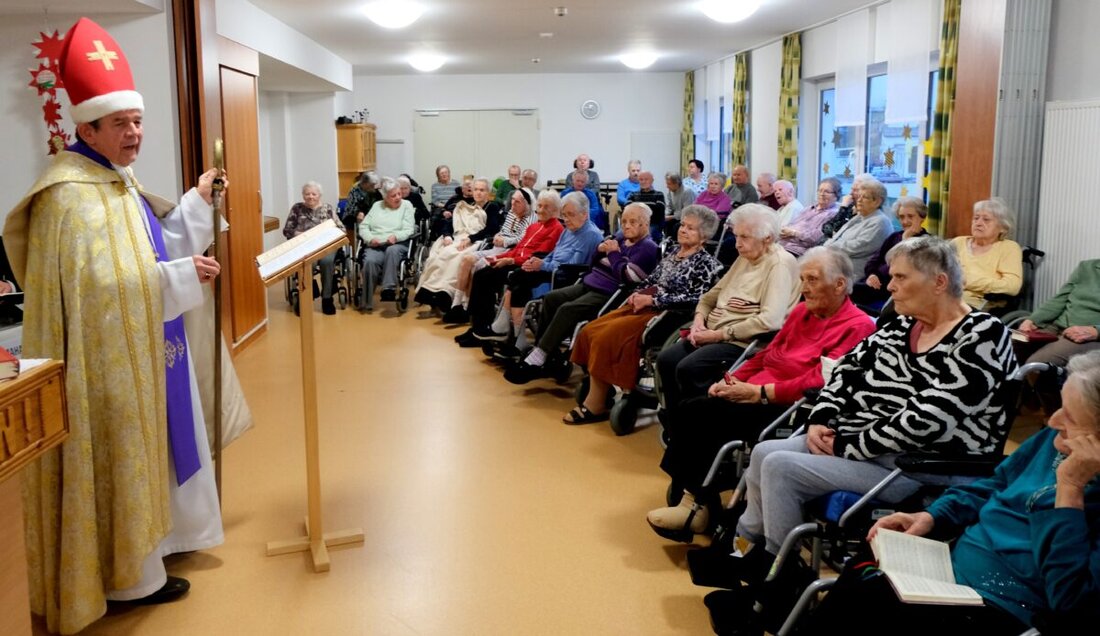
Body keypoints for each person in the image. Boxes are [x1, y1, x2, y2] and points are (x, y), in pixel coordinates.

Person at [2, 17, 232, 632]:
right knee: (123, 457)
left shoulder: (116, 181)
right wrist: (181, 277)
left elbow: (149, 248)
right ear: (87, 129)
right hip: (103, 363)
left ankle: (157, 550)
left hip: (152, 343)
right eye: (120, 124)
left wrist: (197, 205)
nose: (134, 134)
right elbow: (102, 291)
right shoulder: (68, 197)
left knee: (161, 445)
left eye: (137, 122)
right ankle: (129, 577)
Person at [721, 237, 1017, 608]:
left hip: (919, 462)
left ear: (939, 282)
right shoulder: (899, 327)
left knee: (781, 466)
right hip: (862, 444)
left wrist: (848, 444)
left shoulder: (982, 335)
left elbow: (932, 416)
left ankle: (781, 584)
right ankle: (749, 552)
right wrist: (823, 418)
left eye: (900, 277)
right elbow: (844, 372)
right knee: (765, 451)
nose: (889, 285)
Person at [795, 349, 1100, 636]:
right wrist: (932, 516)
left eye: (1071, 417)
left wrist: (1069, 492)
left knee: (872, 606)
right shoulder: (1052, 440)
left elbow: (1070, 602)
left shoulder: (1080, 483)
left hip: (1003, 607)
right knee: (864, 574)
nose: (1052, 421)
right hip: (950, 572)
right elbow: (993, 485)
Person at [646, 247, 875, 541]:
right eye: (802, 279)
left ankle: (695, 504)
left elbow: (820, 379)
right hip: (756, 390)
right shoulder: (803, 311)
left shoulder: (858, 326)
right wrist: (731, 379)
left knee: (698, 413)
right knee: (688, 405)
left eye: (813, 280)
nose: (804, 288)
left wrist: (760, 393)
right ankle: (697, 496)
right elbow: (767, 354)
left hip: (793, 405)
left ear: (840, 284)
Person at [563, 205, 724, 424]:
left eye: (691, 228)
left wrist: (653, 300)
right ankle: (600, 387)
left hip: (667, 313)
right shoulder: (671, 251)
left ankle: (596, 404)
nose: (683, 230)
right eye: (683, 225)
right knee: (590, 330)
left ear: (704, 236)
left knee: (605, 337)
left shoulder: (707, 264)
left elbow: (695, 298)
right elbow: (652, 278)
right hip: (645, 304)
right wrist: (638, 293)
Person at [655, 204, 801, 415]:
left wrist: (716, 335)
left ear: (767, 238)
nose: (737, 244)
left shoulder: (779, 264)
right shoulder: (745, 257)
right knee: (666, 360)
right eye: (736, 236)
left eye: (745, 237)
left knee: (689, 368)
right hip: (713, 331)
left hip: (745, 341)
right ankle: (676, 420)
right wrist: (698, 321)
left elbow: (770, 320)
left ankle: (699, 424)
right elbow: (709, 297)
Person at [503, 203, 661, 383]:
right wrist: (599, 250)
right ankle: (545, 353)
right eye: (624, 221)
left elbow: (630, 277)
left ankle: (538, 357)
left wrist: (613, 254)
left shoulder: (648, 247)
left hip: (610, 292)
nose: (626, 225)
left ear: (646, 224)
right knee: (551, 299)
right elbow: (595, 262)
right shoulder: (619, 237)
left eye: (633, 222)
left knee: (567, 309)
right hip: (591, 281)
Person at [457, 191, 602, 346]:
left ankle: (509, 334)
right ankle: (493, 330)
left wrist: (539, 263)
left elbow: (571, 266)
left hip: (562, 276)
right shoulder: (565, 229)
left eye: (570, 215)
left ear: (584, 214)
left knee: (515, 278)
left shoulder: (583, 233)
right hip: (546, 267)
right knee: (491, 276)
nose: (566, 219)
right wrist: (537, 261)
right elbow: (552, 253)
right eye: (564, 215)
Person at [445, 187, 538, 323]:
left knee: (477, 266)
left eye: (517, 202)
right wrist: (498, 236)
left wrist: (504, 241)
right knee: (466, 259)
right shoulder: (512, 212)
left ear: (526, 203)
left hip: (510, 250)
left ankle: (467, 307)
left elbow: (522, 239)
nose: (512, 204)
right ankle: (456, 304)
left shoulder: (531, 217)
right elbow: (504, 230)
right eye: (512, 201)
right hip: (497, 247)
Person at [413, 177, 498, 312]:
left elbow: (491, 229)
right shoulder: (464, 205)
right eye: (476, 190)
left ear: (488, 192)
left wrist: (471, 238)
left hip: (477, 240)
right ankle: (432, 289)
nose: (478, 193)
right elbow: (450, 223)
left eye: (482, 190)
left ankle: (447, 292)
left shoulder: (492, 207)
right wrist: (447, 236)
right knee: (440, 254)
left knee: (456, 257)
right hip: (459, 237)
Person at [1016, 259, 1100, 368]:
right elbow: (1060, 298)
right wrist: (1032, 320)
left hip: (1088, 336)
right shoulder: (1087, 266)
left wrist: (1096, 331)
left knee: (1037, 364)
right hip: (1056, 326)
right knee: (1010, 342)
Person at [850, 195, 930, 308]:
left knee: (849, 292)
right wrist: (872, 275)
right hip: (874, 283)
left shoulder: (928, 242)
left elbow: (905, 268)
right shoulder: (894, 236)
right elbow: (874, 260)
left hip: (893, 288)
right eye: (902, 217)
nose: (905, 221)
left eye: (910, 216)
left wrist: (905, 240)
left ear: (922, 218)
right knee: (846, 290)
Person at [952, 198, 1023, 309]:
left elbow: (1012, 286)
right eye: (976, 218)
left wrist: (968, 281)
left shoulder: (1009, 248)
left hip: (975, 305)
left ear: (1003, 228)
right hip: (944, 298)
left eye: (986, 220)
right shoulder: (958, 242)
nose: (978, 223)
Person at [283, 181, 341, 315]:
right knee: (308, 263)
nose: (310, 197)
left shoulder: (328, 209)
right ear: (303, 195)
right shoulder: (297, 208)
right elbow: (287, 230)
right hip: (304, 247)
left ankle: (327, 298)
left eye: (314, 194)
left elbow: (341, 228)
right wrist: (298, 234)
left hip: (325, 246)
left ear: (319, 195)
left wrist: (327, 235)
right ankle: (306, 296)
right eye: (307, 194)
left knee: (327, 262)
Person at [359, 177, 416, 309]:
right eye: (393, 196)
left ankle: (388, 289)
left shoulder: (406, 205)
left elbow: (409, 229)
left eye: (399, 194)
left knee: (392, 251)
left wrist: (396, 236)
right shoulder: (376, 206)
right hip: (377, 244)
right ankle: (366, 300)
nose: (397, 197)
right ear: (384, 197)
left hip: (398, 243)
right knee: (370, 261)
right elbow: (363, 227)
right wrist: (370, 239)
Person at [823, 177, 894, 273]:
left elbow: (856, 247)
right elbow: (836, 236)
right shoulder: (859, 216)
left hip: (852, 274)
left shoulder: (881, 222)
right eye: (859, 196)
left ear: (877, 201)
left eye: (864, 197)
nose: (859, 200)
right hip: (835, 266)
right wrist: (828, 245)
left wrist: (828, 246)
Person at [779, 177, 841, 257]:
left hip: (797, 250)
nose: (822, 194)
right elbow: (792, 224)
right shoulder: (808, 209)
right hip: (783, 245)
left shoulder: (833, 214)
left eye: (827, 191)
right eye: (820, 190)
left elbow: (816, 238)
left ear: (836, 196)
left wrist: (793, 233)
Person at [820, 173, 870, 240]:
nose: (850, 193)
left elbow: (837, 231)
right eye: (851, 189)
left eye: (855, 190)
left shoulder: (865, 213)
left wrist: (843, 207)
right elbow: (825, 227)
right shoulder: (850, 207)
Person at [664, 172, 696, 238]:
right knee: (663, 223)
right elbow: (669, 206)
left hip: (687, 217)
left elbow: (687, 212)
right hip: (676, 216)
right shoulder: (671, 191)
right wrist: (665, 215)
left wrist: (671, 217)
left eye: (669, 184)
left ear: (676, 183)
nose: (667, 186)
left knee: (676, 226)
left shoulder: (687, 192)